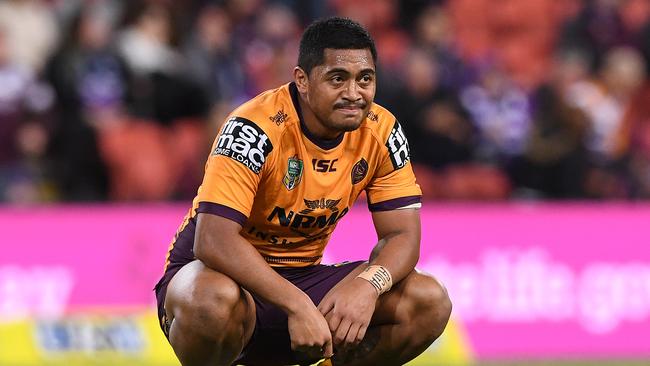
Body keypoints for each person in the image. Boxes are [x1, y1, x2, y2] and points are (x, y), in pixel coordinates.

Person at [154, 17, 452, 366]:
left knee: (428, 299)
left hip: (302, 276)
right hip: (218, 277)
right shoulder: (252, 128)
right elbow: (213, 241)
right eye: (337, 79)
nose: (354, 94)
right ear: (302, 81)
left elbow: (402, 236)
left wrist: (369, 285)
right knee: (212, 299)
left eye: (365, 79)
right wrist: (297, 305)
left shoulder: (382, 131)